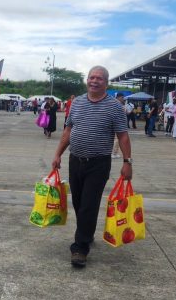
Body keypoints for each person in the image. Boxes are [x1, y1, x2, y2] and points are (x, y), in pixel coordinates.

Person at [51, 65, 132, 268]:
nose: (94, 81)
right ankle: (86, 233)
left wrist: (127, 162)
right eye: (91, 77)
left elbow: (123, 136)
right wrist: (58, 153)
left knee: (89, 203)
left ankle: (80, 248)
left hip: (98, 163)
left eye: (99, 78)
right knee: (78, 202)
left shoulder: (115, 107)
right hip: (75, 160)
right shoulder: (77, 103)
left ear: (106, 82)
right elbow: (68, 130)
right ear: (87, 80)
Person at [112, 93, 127, 158]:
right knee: (117, 139)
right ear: (119, 97)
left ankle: (114, 152)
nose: (123, 99)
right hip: (117, 124)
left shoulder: (113, 102)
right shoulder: (118, 104)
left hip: (114, 124)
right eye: (122, 97)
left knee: (115, 139)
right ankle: (114, 153)